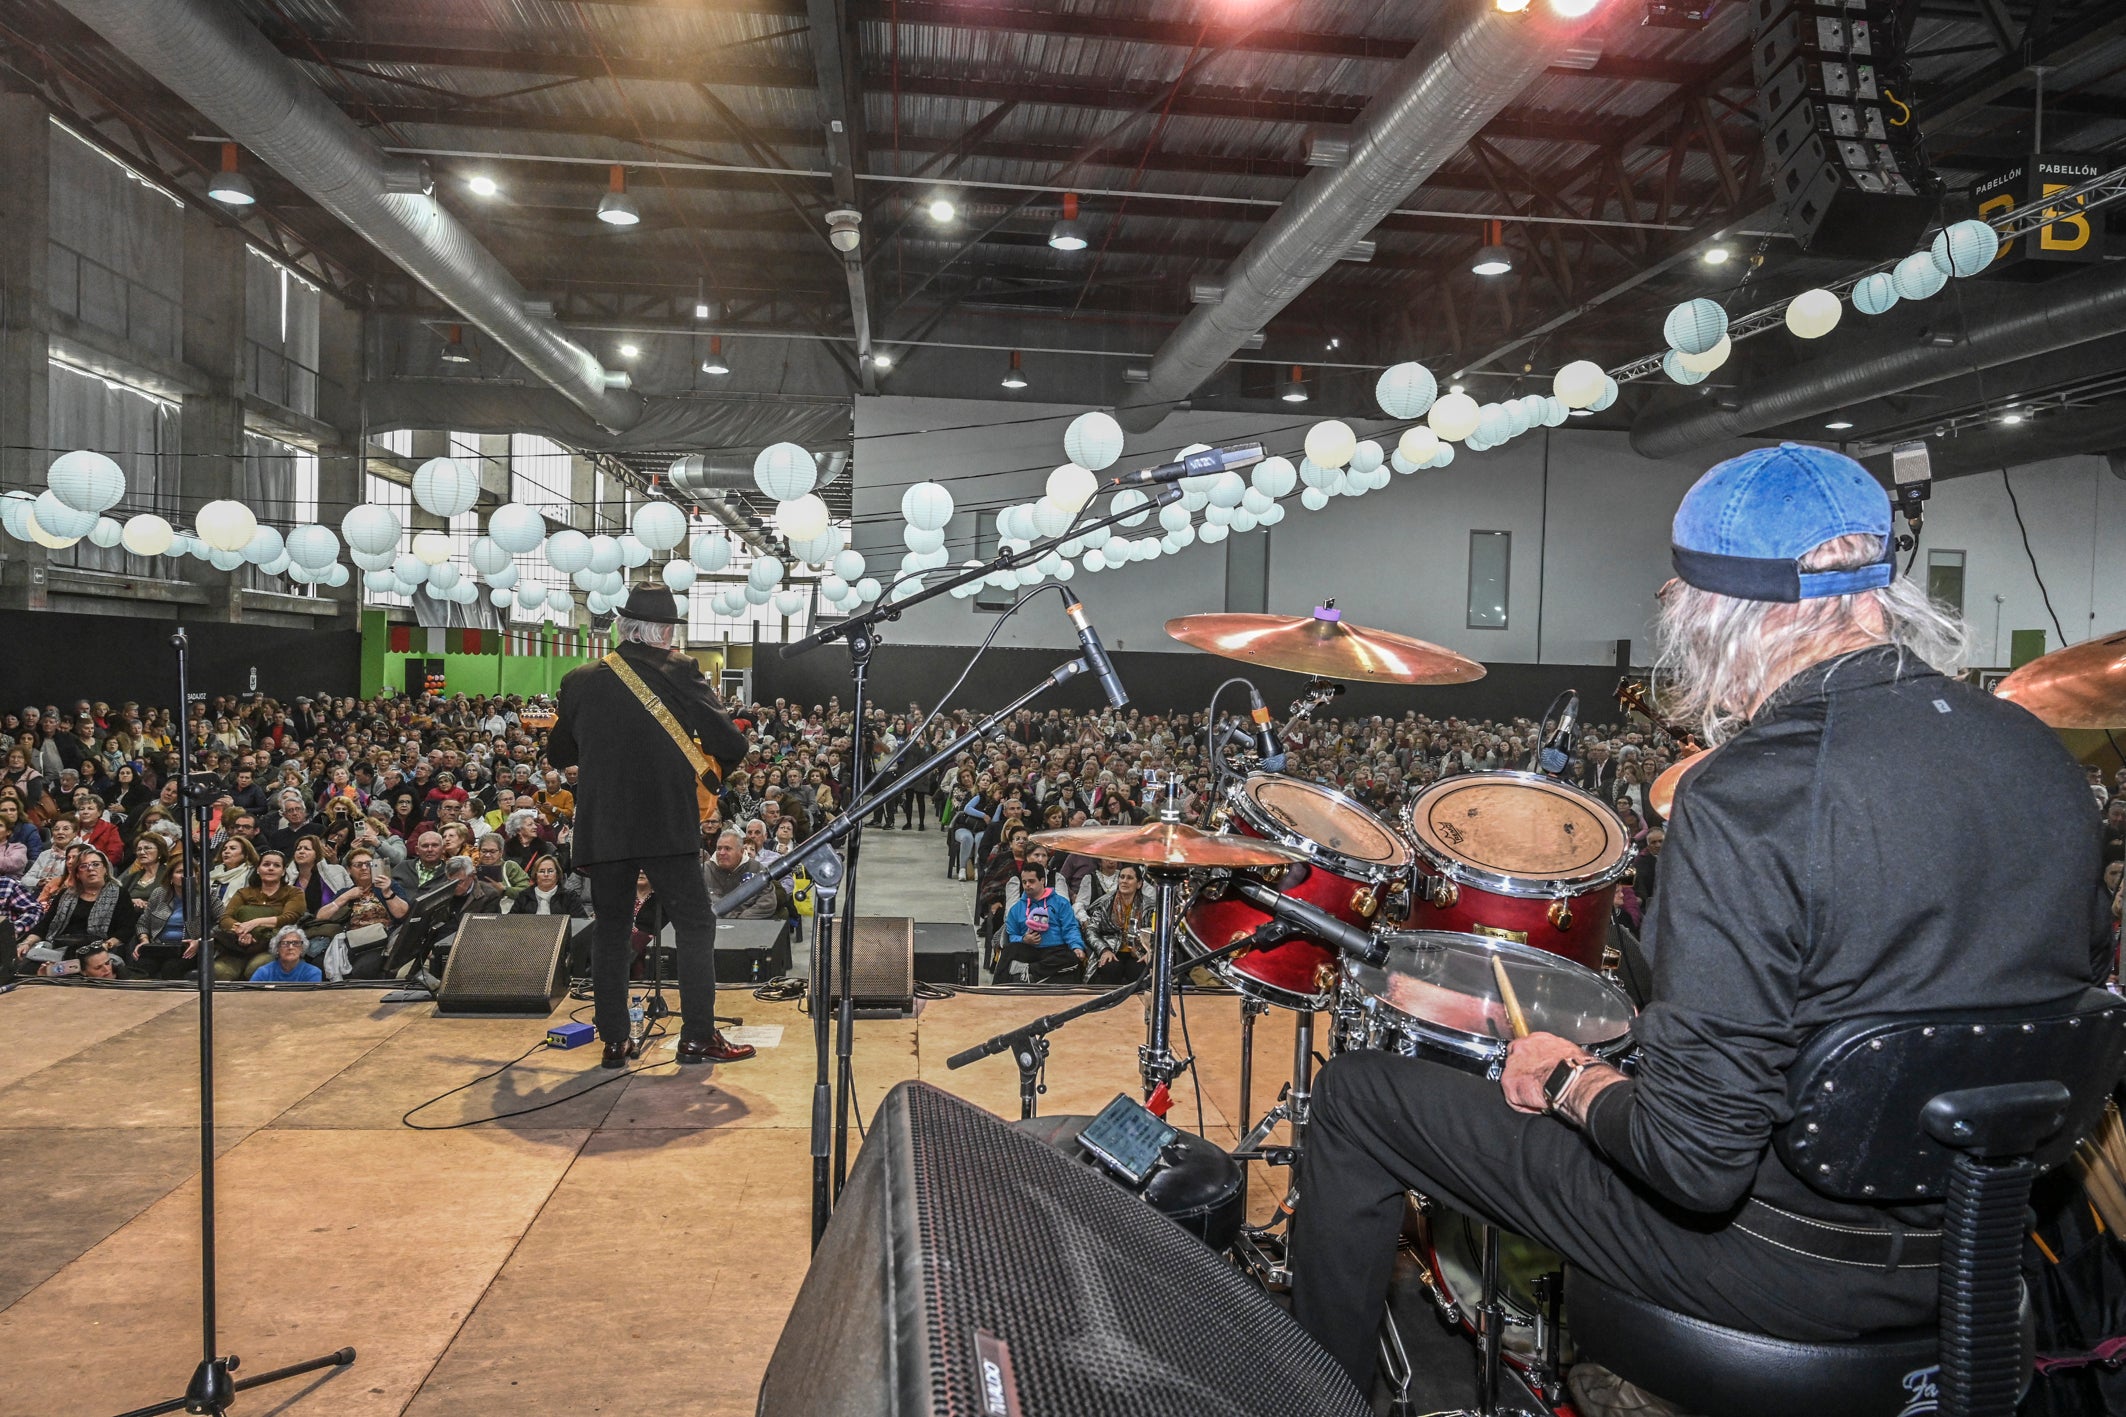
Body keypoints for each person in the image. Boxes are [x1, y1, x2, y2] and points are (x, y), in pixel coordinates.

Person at [1287, 443, 2108, 1414]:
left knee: (1357, 1096)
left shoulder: (1747, 791)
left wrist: (1565, 1076)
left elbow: (1694, 1162)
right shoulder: (2036, 757)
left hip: (1782, 1265)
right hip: (1978, 1242)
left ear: (1708, 615)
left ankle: (1308, 1399)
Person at [547, 583, 754, 1069]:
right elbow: (731, 741)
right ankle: (698, 1037)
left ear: (625, 627)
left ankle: (615, 1040)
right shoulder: (680, 670)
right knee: (696, 925)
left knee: (612, 928)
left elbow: (559, 752)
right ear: (663, 632)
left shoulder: (579, 678)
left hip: (604, 826)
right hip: (664, 821)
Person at [991, 862, 1087, 984]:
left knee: (1072, 958)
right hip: (1029, 949)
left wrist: (1077, 946)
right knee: (1009, 950)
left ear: (1042, 881)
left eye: (1031, 881)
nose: (1027, 885)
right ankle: (997, 989)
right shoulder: (1016, 909)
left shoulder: (1061, 903)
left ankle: (1030, 971)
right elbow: (1011, 935)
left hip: (1055, 950)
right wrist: (1024, 939)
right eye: (1024, 882)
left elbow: (1070, 928)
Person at [250, 925, 324, 983]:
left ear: (302, 948)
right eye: (285, 943)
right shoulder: (263, 972)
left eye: (296, 943)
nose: (290, 947)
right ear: (277, 949)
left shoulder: (312, 972)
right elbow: (250, 996)